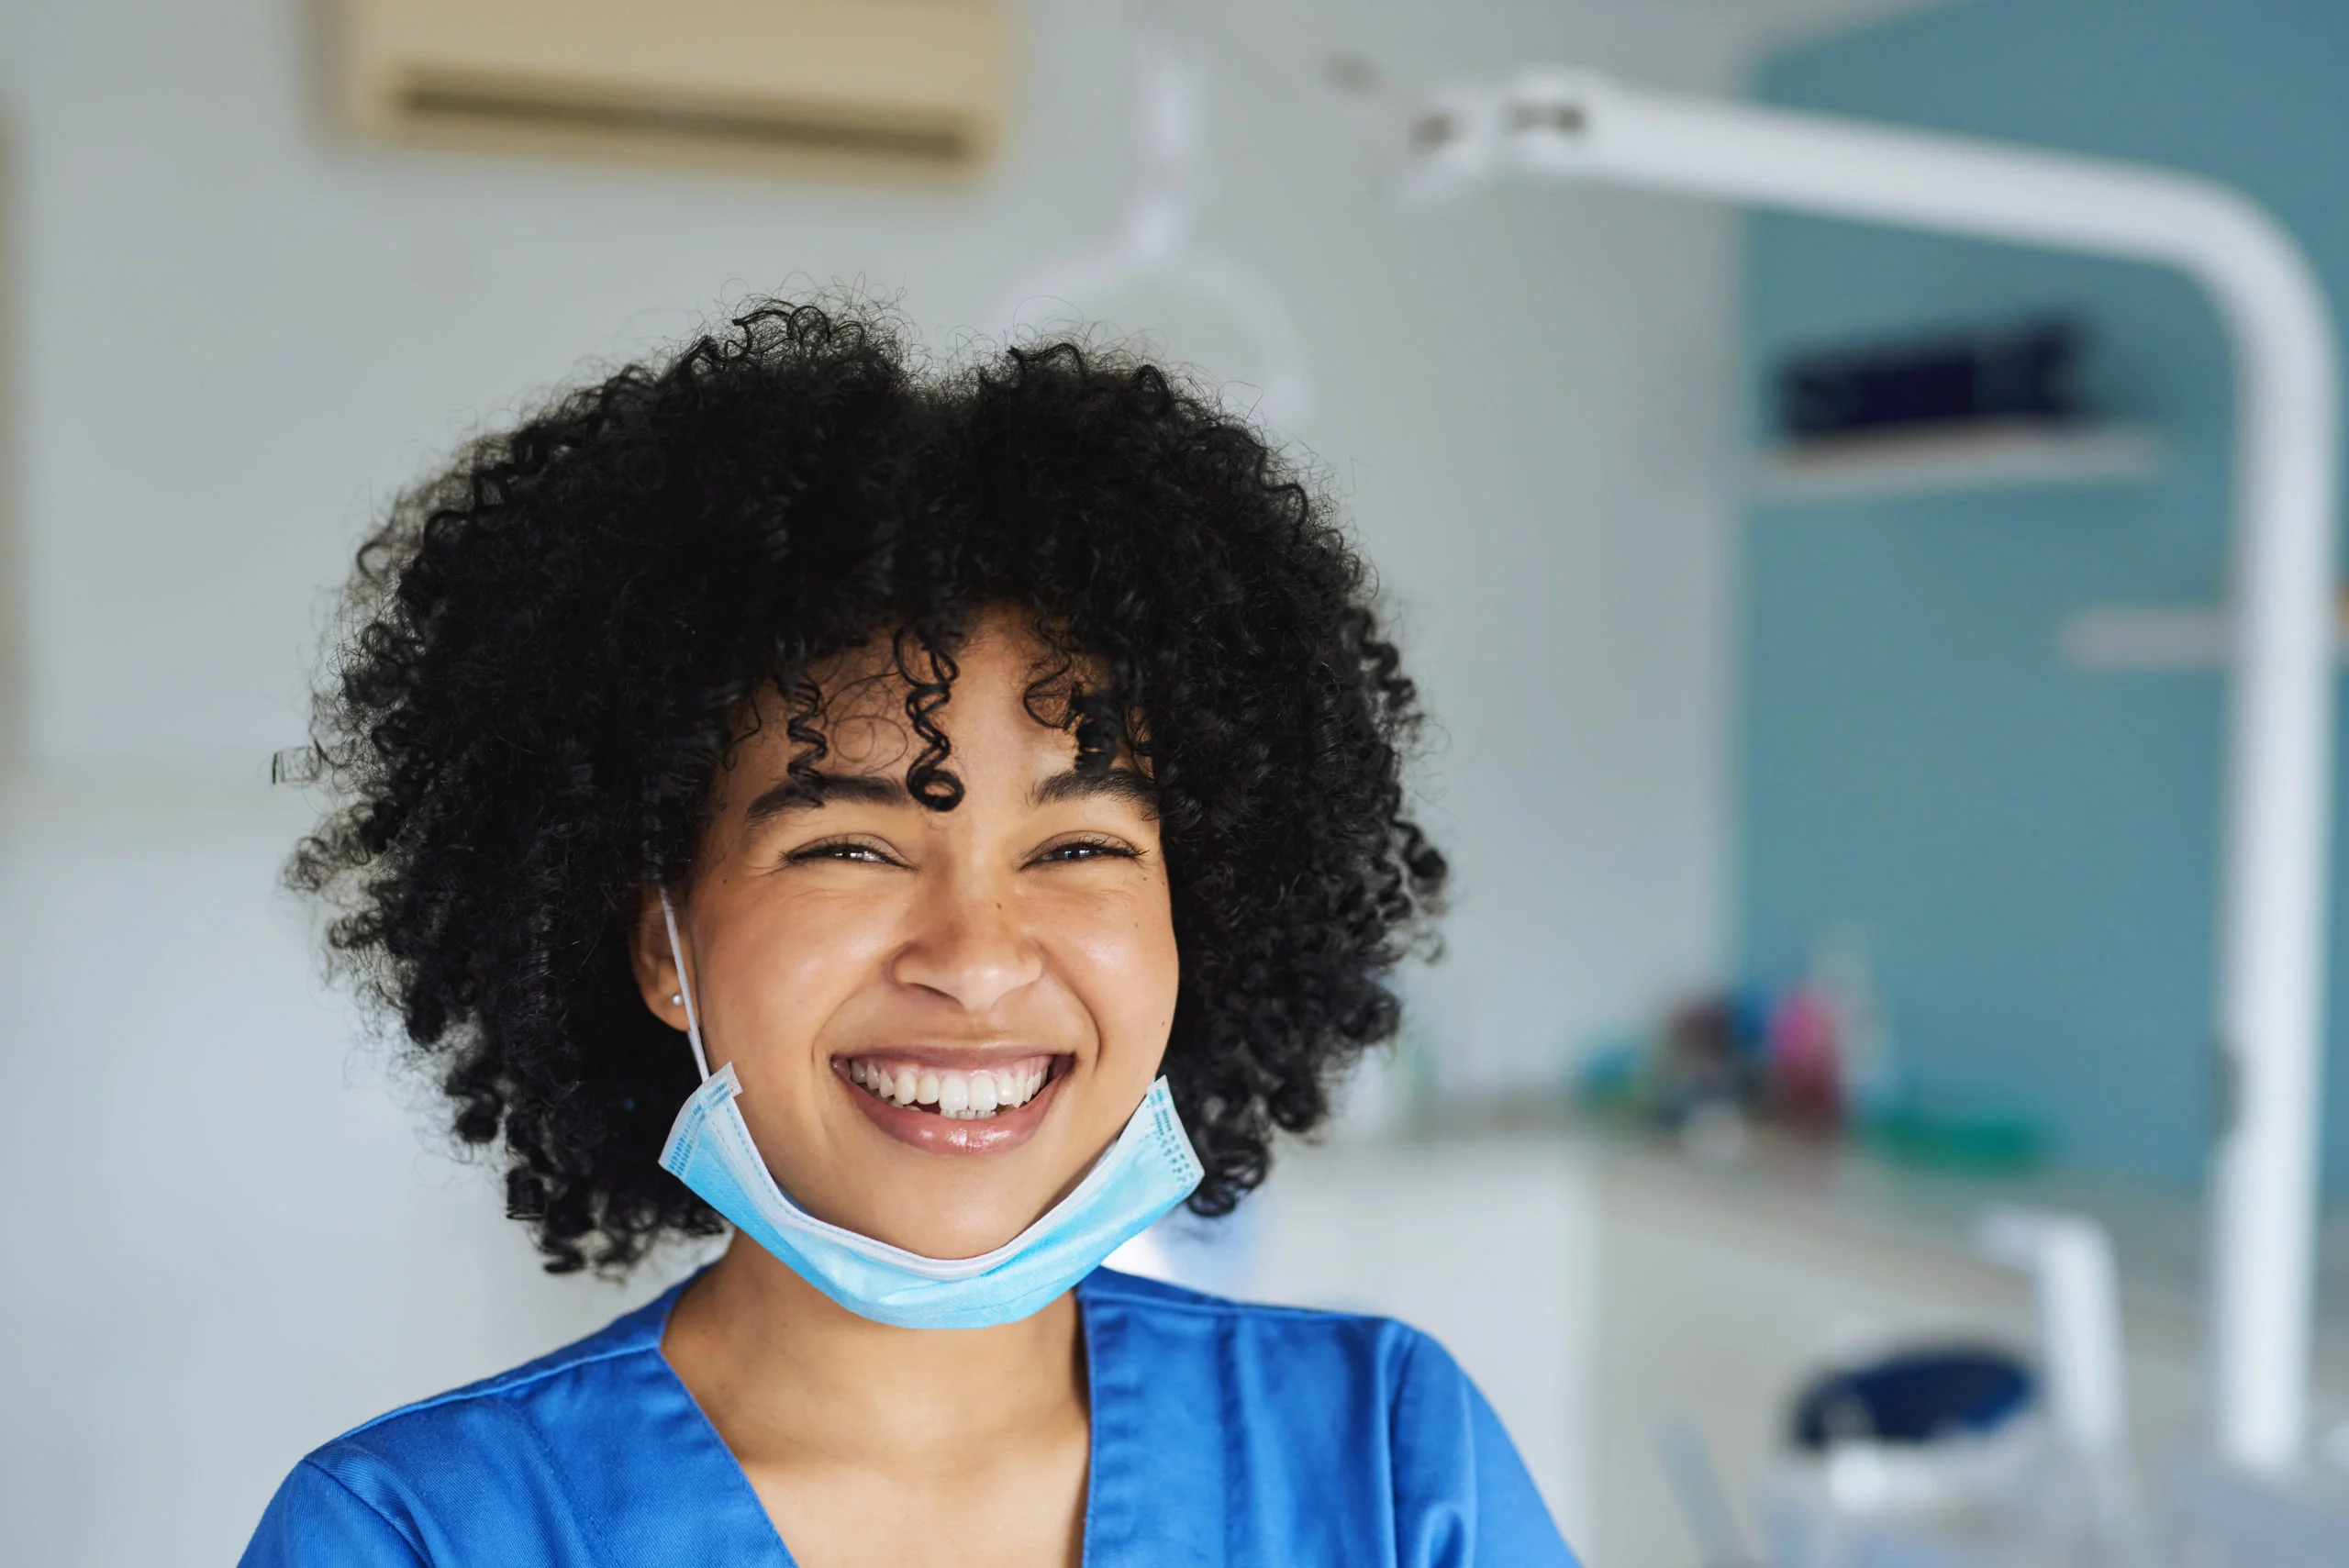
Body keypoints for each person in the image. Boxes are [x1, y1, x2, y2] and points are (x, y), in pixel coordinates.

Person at [241, 299, 1576, 1567]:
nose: (979, 956)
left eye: (1078, 848)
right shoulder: (415, 1537)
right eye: (849, 847)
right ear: (662, 947)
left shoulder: (1394, 1468)